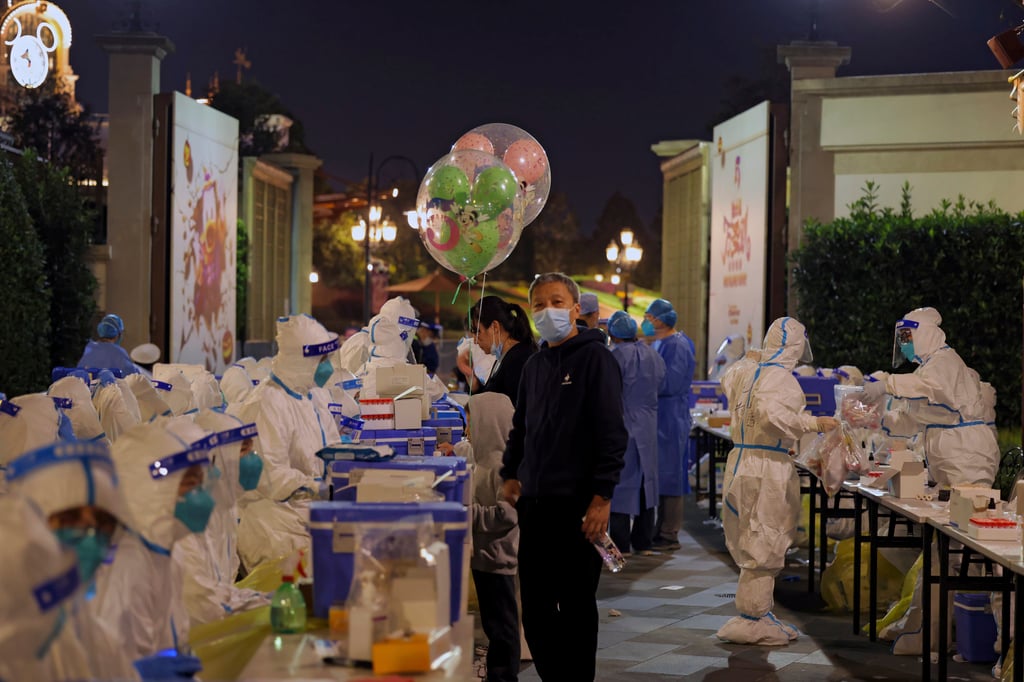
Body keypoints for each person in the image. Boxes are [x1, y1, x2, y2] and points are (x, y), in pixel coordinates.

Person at [500, 272, 627, 681]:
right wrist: (511, 472)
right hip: (535, 504)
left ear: (576, 309)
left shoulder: (596, 360)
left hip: (578, 506)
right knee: (535, 609)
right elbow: (521, 426)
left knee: (575, 606)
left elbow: (612, 432)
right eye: (538, 304)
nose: (546, 310)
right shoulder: (535, 365)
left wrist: (601, 497)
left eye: (556, 302)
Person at [716, 317, 838, 646]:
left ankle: (754, 612)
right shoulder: (781, 378)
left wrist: (749, 357)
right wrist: (813, 422)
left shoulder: (745, 371)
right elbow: (774, 415)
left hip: (740, 462)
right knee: (766, 536)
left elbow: (727, 379)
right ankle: (754, 618)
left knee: (748, 535)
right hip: (766, 465)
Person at [95, 418, 214, 662]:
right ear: (151, 491)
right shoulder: (125, 570)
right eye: (190, 484)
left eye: (200, 483)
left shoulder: (167, 553)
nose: (200, 495)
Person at [228, 314, 340, 570]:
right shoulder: (267, 402)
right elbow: (270, 476)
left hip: (309, 508)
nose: (327, 368)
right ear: (301, 361)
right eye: (321, 360)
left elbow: (332, 447)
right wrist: (315, 486)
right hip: (273, 520)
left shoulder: (315, 395)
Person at [862, 307, 999, 487]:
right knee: (952, 511)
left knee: (968, 509)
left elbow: (931, 388)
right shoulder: (927, 368)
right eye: (901, 339)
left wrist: (888, 384)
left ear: (924, 333)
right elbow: (914, 417)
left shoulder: (945, 361)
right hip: (950, 457)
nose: (904, 345)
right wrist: (879, 420)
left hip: (967, 457)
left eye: (906, 337)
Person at [452, 393, 520, 682]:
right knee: (494, 623)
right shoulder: (484, 460)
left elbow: (507, 515)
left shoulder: (501, 467)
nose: (469, 430)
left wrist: (470, 514)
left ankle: (505, 675)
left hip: (498, 559)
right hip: (485, 558)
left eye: (472, 423)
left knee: (502, 624)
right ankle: (497, 672)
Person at [607, 311, 665, 556]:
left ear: (612, 334)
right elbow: (661, 384)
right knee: (646, 483)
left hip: (623, 425)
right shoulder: (653, 355)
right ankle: (644, 540)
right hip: (648, 426)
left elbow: (607, 391)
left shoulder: (614, 357)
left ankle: (621, 543)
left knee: (621, 484)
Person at [643, 298, 696, 551]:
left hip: (672, 416)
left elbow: (670, 383)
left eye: (649, 317)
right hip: (660, 415)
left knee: (672, 473)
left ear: (661, 320)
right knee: (661, 473)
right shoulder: (660, 343)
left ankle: (669, 532)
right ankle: (660, 527)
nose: (646, 321)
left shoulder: (678, 346)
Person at [468, 295, 538, 406]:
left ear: (495, 327)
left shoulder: (519, 360)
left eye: (478, 331)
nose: (475, 341)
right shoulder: (504, 357)